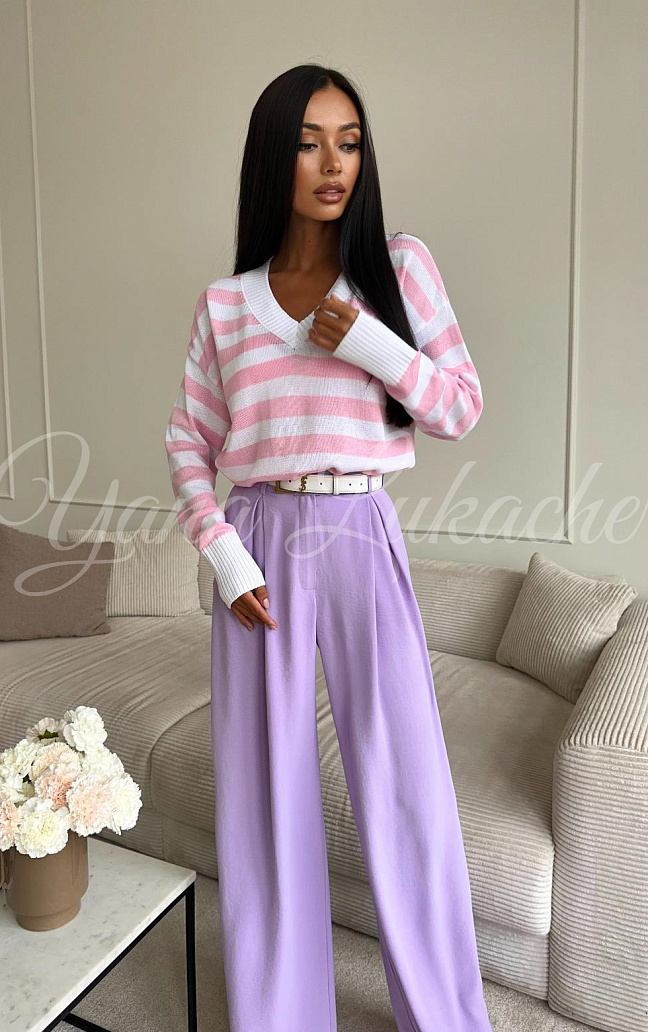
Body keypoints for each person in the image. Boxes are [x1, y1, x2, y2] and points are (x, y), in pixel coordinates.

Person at [165, 63, 492, 1032]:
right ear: (275, 157)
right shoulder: (226, 305)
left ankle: (444, 1016)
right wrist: (225, 557)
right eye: (309, 143)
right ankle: (279, 1016)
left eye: (348, 142)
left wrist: (370, 344)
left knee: (406, 786)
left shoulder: (399, 267)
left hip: (359, 528)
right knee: (264, 795)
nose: (333, 163)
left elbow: (460, 408)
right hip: (258, 541)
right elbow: (187, 443)